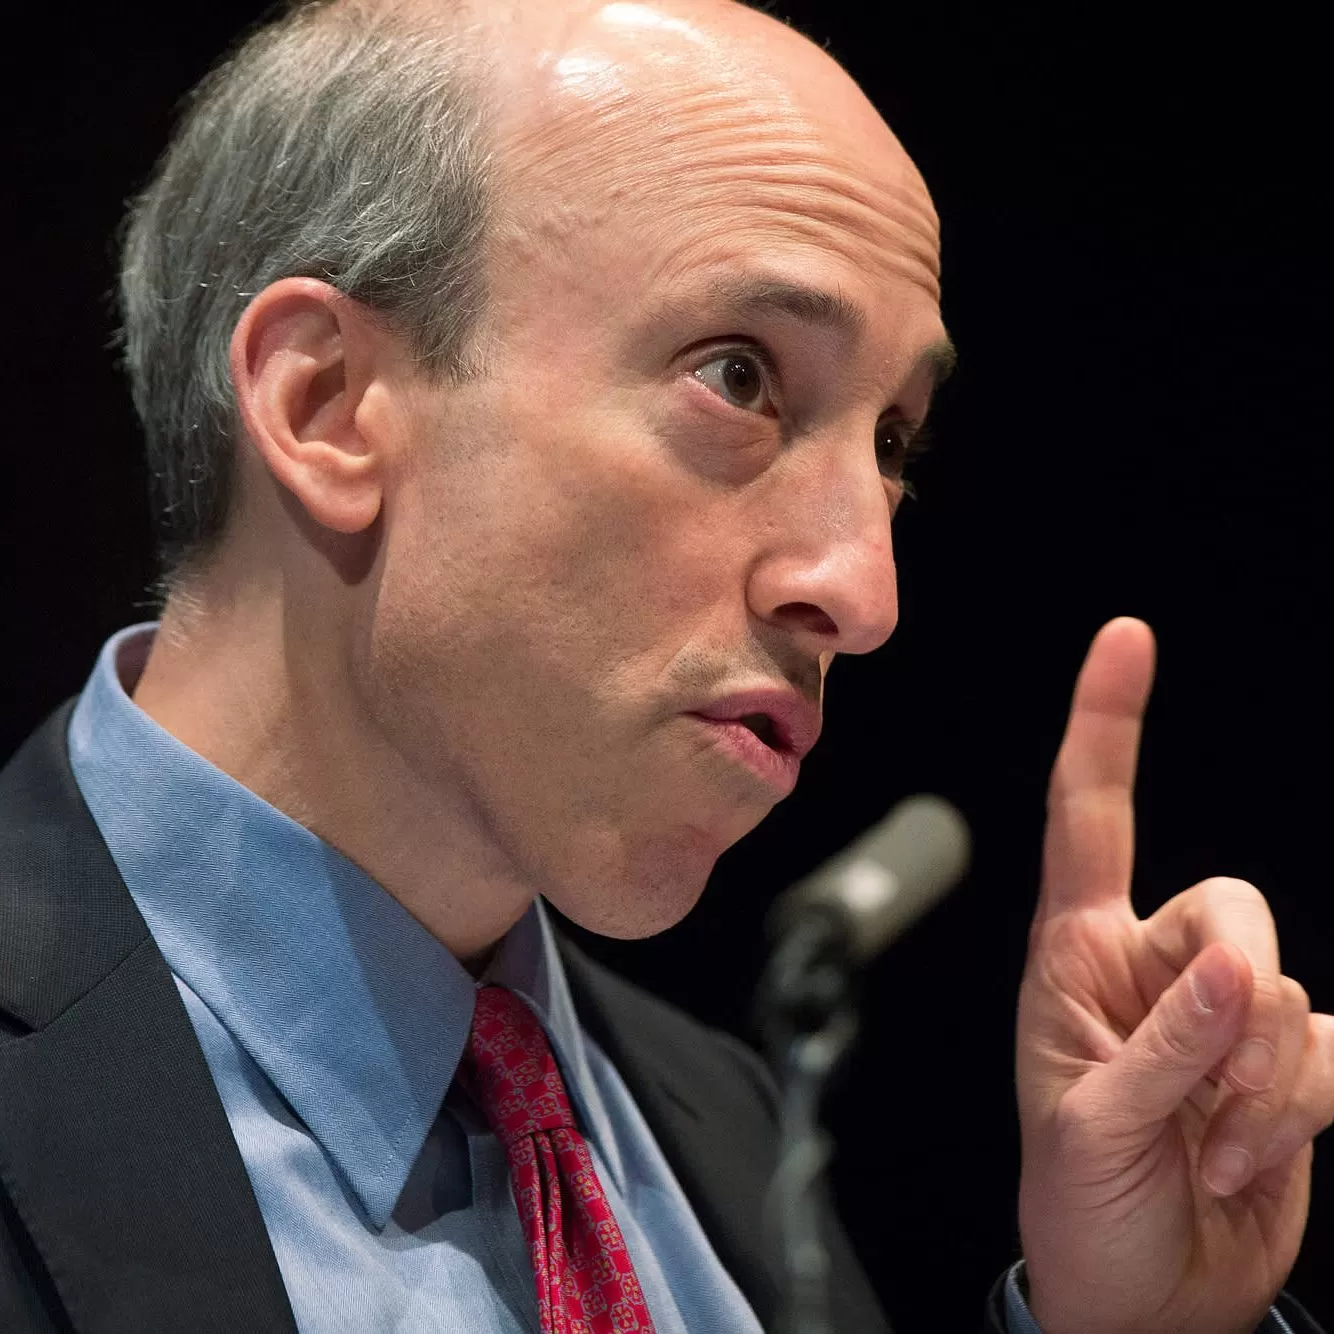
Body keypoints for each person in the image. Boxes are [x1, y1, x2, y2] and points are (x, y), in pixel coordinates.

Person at [0, 0, 1330, 1330]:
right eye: (740, 377)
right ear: (327, 407)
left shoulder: (723, 1118)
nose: (863, 595)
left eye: (890, 446)